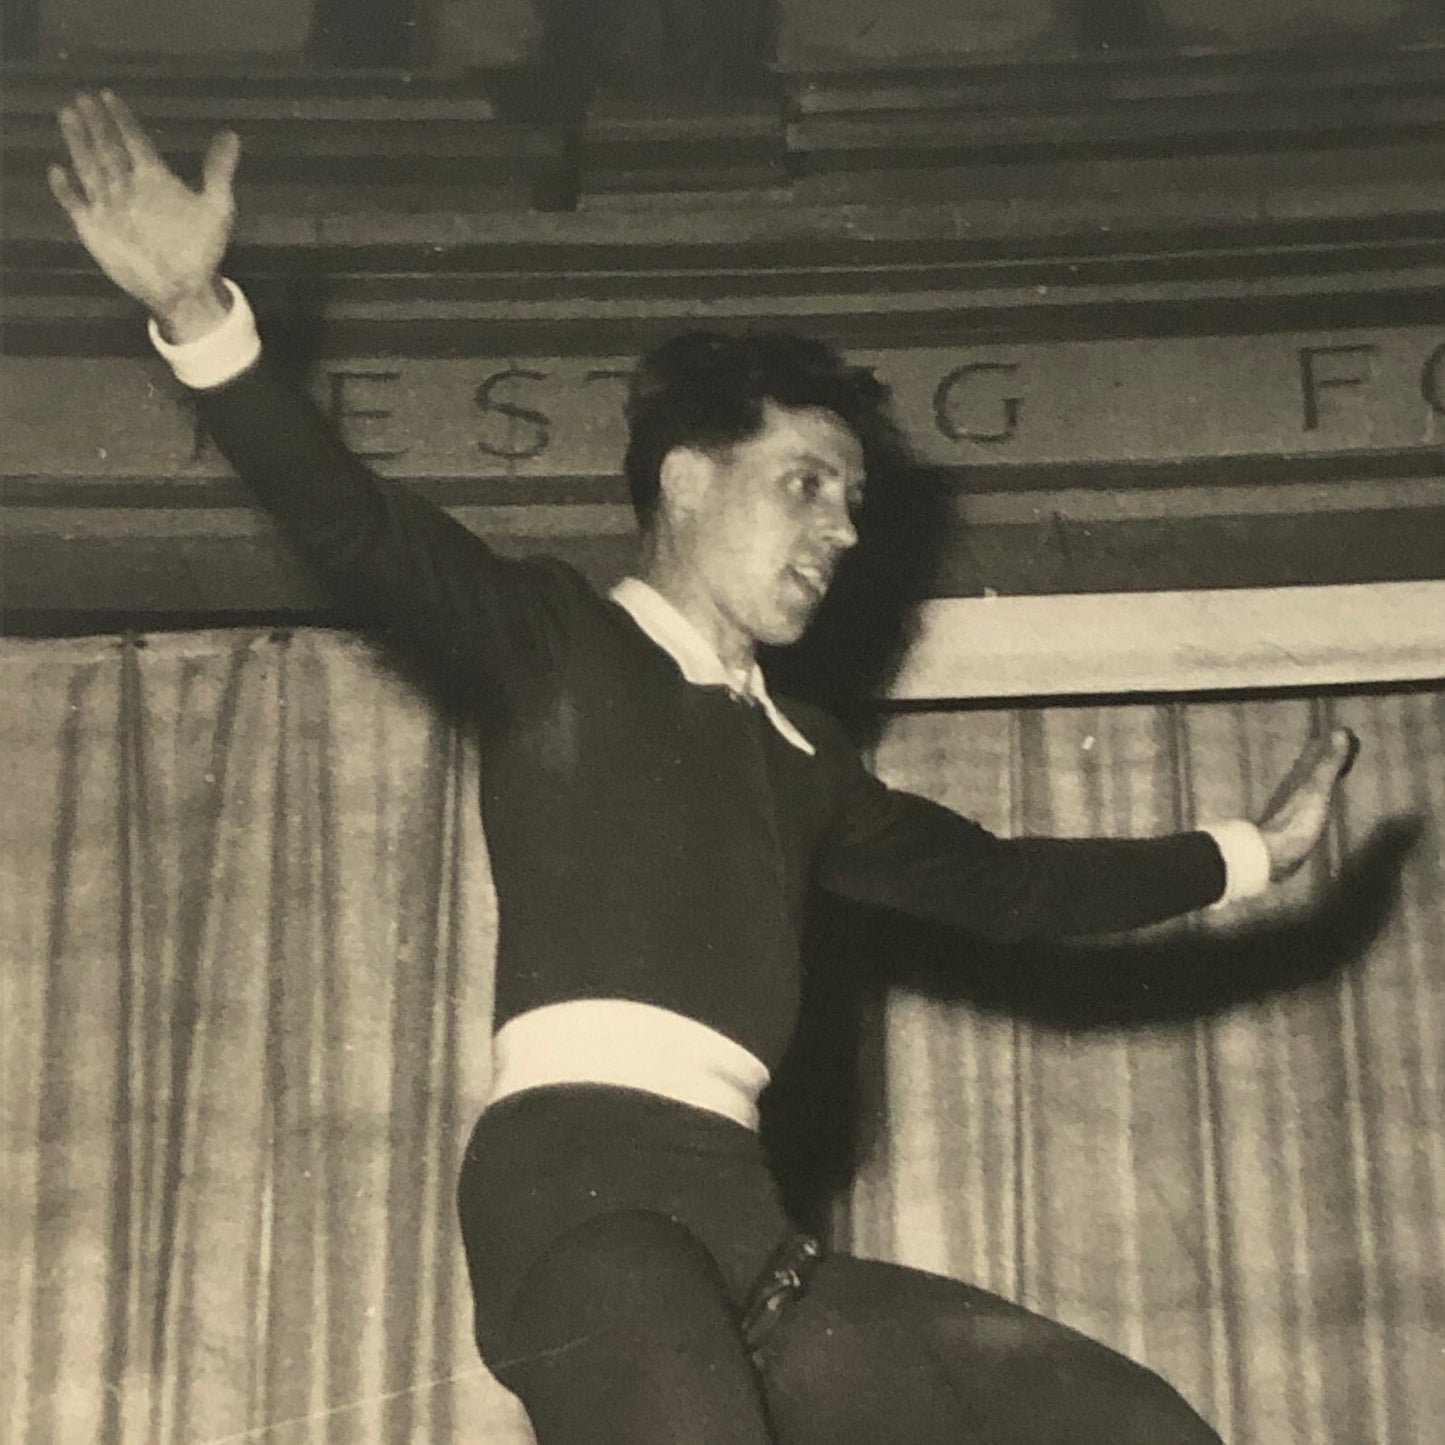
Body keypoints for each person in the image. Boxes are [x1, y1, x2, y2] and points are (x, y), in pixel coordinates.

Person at [51, 90, 1356, 1445]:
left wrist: (1250, 851)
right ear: (685, 480)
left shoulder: (806, 757)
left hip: (747, 1239)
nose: (841, 530)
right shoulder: (564, 645)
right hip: (579, 1212)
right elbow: (356, 524)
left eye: (852, 503)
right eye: (805, 483)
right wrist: (204, 317)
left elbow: (1004, 884)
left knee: (1127, 1422)